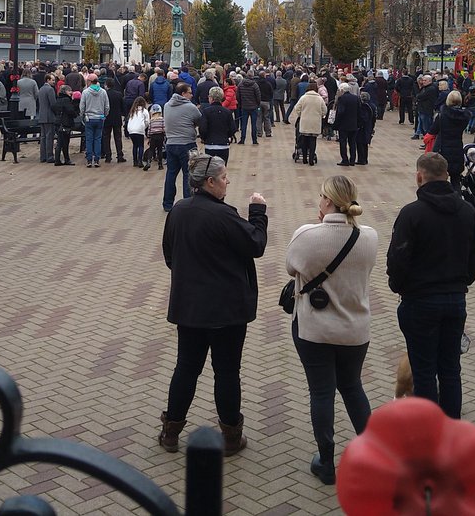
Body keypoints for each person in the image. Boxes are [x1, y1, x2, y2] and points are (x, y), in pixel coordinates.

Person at [158, 152, 268, 456]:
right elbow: (256, 244)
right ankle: (231, 436)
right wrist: (258, 212)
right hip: (226, 311)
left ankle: (171, 432)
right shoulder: (224, 215)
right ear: (209, 182)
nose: (227, 181)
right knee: (227, 371)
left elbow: (170, 255)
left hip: (190, 308)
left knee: (186, 368)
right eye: (223, 178)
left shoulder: (178, 211)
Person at [285, 175, 377, 485]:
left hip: (315, 330)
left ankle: (326, 462)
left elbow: (291, 268)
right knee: (352, 386)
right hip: (355, 330)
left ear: (327, 202)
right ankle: (376, 453)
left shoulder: (306, 236)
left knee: (321, 392)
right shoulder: (370, 237)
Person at [386, 152, 475, 420]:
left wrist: (399, 286)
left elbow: (398, 259)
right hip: (454, 299)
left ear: (419, 176)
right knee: (451, 369)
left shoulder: (411, 214)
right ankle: (451, 426)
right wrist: (461, 283)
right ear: (447, 176)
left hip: (419, 301)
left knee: (424, 370)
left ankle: (428, 429)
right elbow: (474, 260)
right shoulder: (468, 212)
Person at [162, 83, 201, 211]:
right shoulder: (191, 107)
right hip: (187, 144)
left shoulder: (167, 106)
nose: (192, 95)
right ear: (183, 94)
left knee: (171, 174)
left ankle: (167, 204)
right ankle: (188, 204)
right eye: (190, 92)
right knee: (188, 174)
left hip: (171, 143)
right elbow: (199, 121)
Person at [435, 89, 474, 188]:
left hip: (443, 148)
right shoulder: (464, 117)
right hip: (457, 148)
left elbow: (433, 130)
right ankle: (457, 199)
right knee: (456, 179)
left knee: (439, 178)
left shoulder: (442, 115)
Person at [289, 81, 326, 167]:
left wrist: (301, 114)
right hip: (315, 122)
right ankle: (311, 159)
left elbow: (297, 108)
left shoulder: (303, 98)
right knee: (313, 141)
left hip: (305, 121)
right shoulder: (319, 99)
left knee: (304, 140)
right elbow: (324, 110)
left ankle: (305, 158)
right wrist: (320, 115)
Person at [79, 73, 109, 167]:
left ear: (90, 81)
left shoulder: (86, 92)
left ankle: (89, 160)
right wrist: (104, 115)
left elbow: (82, 106)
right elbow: (107, 106)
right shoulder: (103, 92)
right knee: (98, 139)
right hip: (100, 118)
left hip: (89, 117)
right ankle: (96, 159)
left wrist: (82, 115)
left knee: (89, 139)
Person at [199, 85, 233, 163]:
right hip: (223, 144)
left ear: (211, 98)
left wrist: (204, 138)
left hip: (210, 144)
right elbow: (232, 128)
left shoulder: (206, 111)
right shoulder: (227, 112)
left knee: (210, 168)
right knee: (222, 169)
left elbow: (203, 128)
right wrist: (228, 136)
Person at [333, 83, 360, 167]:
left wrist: (336, 123)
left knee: (343, 142)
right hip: (354, 124)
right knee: (352, 143)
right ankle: (352, 160)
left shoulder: (342, 99)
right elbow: (359, 111)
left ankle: (345, 159)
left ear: (342, 90)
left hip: (343, 125)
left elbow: (340, 112)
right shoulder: (356, 98)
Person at [52, 84, 78, 166]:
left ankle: (57, 159)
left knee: (60, 141)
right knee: (65, 142)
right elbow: (71, 111)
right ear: (65, 91)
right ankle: (67, 159)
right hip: (65, 123)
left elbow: (53, 107)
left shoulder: (58, 99)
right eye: (69, 90)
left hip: (58, 123)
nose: (71, 92)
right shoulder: (67, 100)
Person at [36, 72, 59, 164]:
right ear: (48, 80)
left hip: (42, 115)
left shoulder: (41, 89)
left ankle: (43, 156)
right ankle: (49, 156)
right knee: (49, 137)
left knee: (43, 137)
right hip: (49, 116)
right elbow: (53, 104)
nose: (54, 82)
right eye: (52, 80)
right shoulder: (50, 90)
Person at [126, 97, 150, 167]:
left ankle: (135, 161)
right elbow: (147, 121)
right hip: (139, 130)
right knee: (141, 146)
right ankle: (140, 161)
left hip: (131, 130)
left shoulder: (132, 111)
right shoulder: (144, 111)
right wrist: (144, 127)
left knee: (135, 145)